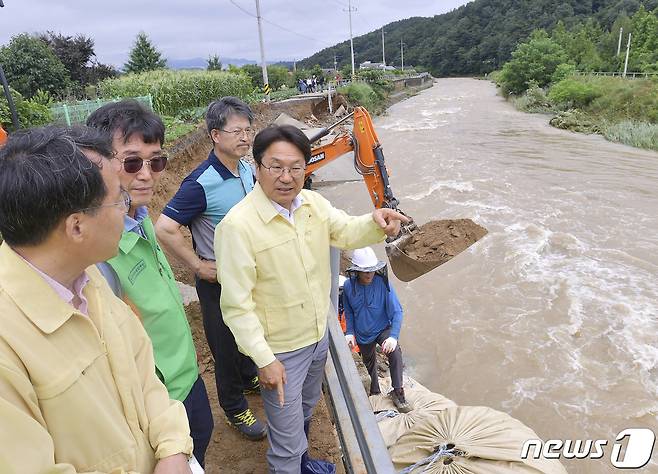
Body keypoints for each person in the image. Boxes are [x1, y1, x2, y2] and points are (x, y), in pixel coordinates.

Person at [214, 124, 409, 473]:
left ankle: (303, 463)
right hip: (281, 350)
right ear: (257, 168)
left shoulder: (314, 205)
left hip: (317, 337)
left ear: (307, 167)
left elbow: (347, 230)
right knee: (285, 443)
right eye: (276, 166)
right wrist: (264, 359)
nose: (286, 177)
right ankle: (291, 464)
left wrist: (377, 221)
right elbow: (236, 306)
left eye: (295, 167)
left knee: (305, 408)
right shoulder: (237, 227)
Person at [0, 126, 193, 473]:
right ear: (76, 226)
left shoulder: (88, 280)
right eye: (119, 198)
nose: (127, 207)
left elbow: (145, 377)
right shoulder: (7, 342)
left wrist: (172, 451)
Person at [86, 100, 214, 467]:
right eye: (131, 162)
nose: (146, 174)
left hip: (187, 375)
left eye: (156, 161)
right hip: (156, 401)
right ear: (98, 163)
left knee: (201, 443)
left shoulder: (140, 217)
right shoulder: (99, 255)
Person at [155, 96, 267, 441]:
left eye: (249, 130)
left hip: (247, 275)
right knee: (225, 345)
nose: (246, 137)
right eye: (237, 131)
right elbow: (164, 227)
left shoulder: (246, 168)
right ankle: (234, 408)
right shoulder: (200, 182)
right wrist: (197, 265)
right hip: (217, 282)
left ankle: (249, 376)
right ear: (216, 135)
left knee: (248, 332)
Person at [343, 247, 411, 413]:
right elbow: (349, 312)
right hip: (362, 332)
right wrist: (349, 332)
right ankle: (374, 391)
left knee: (395, 353)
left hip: (382, 328)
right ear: (356, 271)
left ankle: (398, 391)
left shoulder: (383, 283)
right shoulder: (347, 287)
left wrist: (393, 336)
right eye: (365, 271)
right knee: (369, 362)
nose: (369, 275)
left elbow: (397, 311)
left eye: (372, 271)